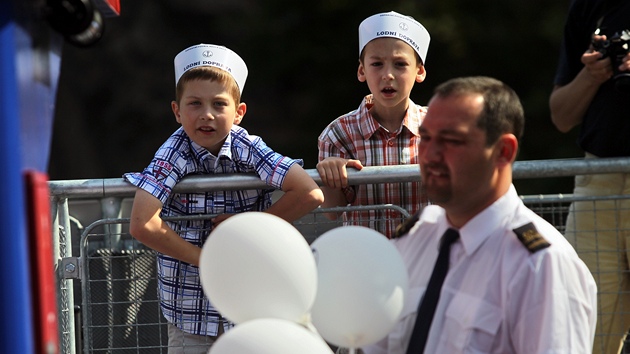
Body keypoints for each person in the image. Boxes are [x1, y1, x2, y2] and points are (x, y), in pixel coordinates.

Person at [362, 76, 598, 354]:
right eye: (425, 138)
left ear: (503, 151)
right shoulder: (413, 239)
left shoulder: (541, 265)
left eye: (452, 140)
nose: (430, 155)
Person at [123, 43, 324, 354]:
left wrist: (248, 226)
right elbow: (141, 223)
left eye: (219, 104)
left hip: (250, 308)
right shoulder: (172, 153)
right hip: (190, 313)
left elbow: (310, 192)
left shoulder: (248, 146)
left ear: (239, 112)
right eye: (194, 104)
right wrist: (206, 259)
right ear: (177, 111)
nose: (207, 115)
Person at [549, 1, 630, 352]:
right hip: (597, 183)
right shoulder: (589, 7)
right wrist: (592, 75)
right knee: (584, 335)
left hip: (598, 185)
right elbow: (561, 115)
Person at [316, 11, 430, 238]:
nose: (388, 74)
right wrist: (330, 174)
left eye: (400, 64)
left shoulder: (438, 128)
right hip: (366, 262)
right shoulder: (338, 133)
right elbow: (331, 211)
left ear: (419, 70)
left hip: (426, 258)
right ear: (361, 70)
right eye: (377, 63)